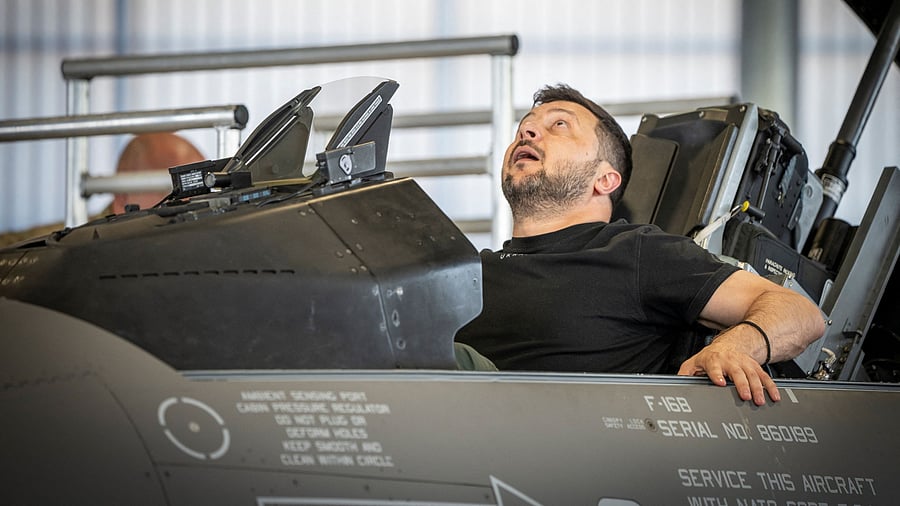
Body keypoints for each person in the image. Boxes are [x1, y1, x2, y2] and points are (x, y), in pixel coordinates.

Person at [455, 84, 825, 405]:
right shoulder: (466, 273)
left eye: (559, 125)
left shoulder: (634, 252)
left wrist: (734, 346)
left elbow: (799, 313)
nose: (529, 133)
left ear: (605, 179)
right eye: (525, 129)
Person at [0, 132, 204, 246]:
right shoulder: (41, 250)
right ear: (123, 199)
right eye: (171, 195)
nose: (192, 206)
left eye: (199, 191)